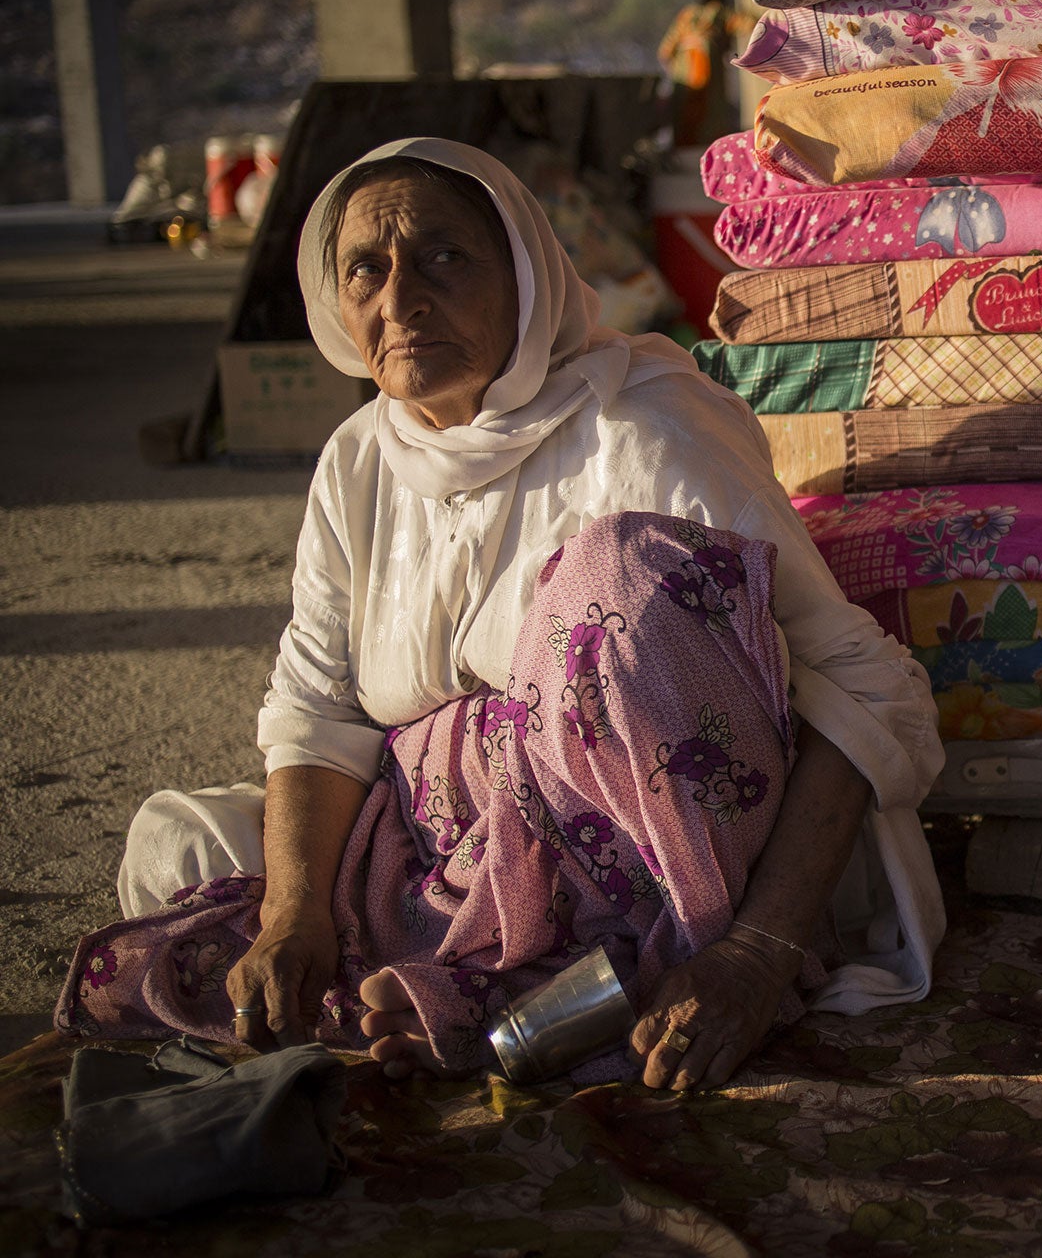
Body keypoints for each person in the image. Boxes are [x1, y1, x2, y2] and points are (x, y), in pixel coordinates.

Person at [59, 139, 945, 1091]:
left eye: (444, 257)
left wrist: (758, 951)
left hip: (663, 861)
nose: (400, 299)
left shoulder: (645, 427)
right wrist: (295, 918)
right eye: (367, 269)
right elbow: (316, 714)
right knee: (184, 860)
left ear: (525, 277)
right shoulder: (358, 462)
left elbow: (864, 682)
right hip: (438, 846)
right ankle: (491, 983)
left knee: (618, 579)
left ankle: (622, 967)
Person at [658, 0, 744, 147]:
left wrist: (674, 67)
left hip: (684, 65)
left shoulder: (688, 13)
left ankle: (684, 143)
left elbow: (665, 50)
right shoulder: (721, 11)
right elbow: (748, 23)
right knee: (709, 107)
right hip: (707, 62)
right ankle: (711, 145)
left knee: (685, 105)